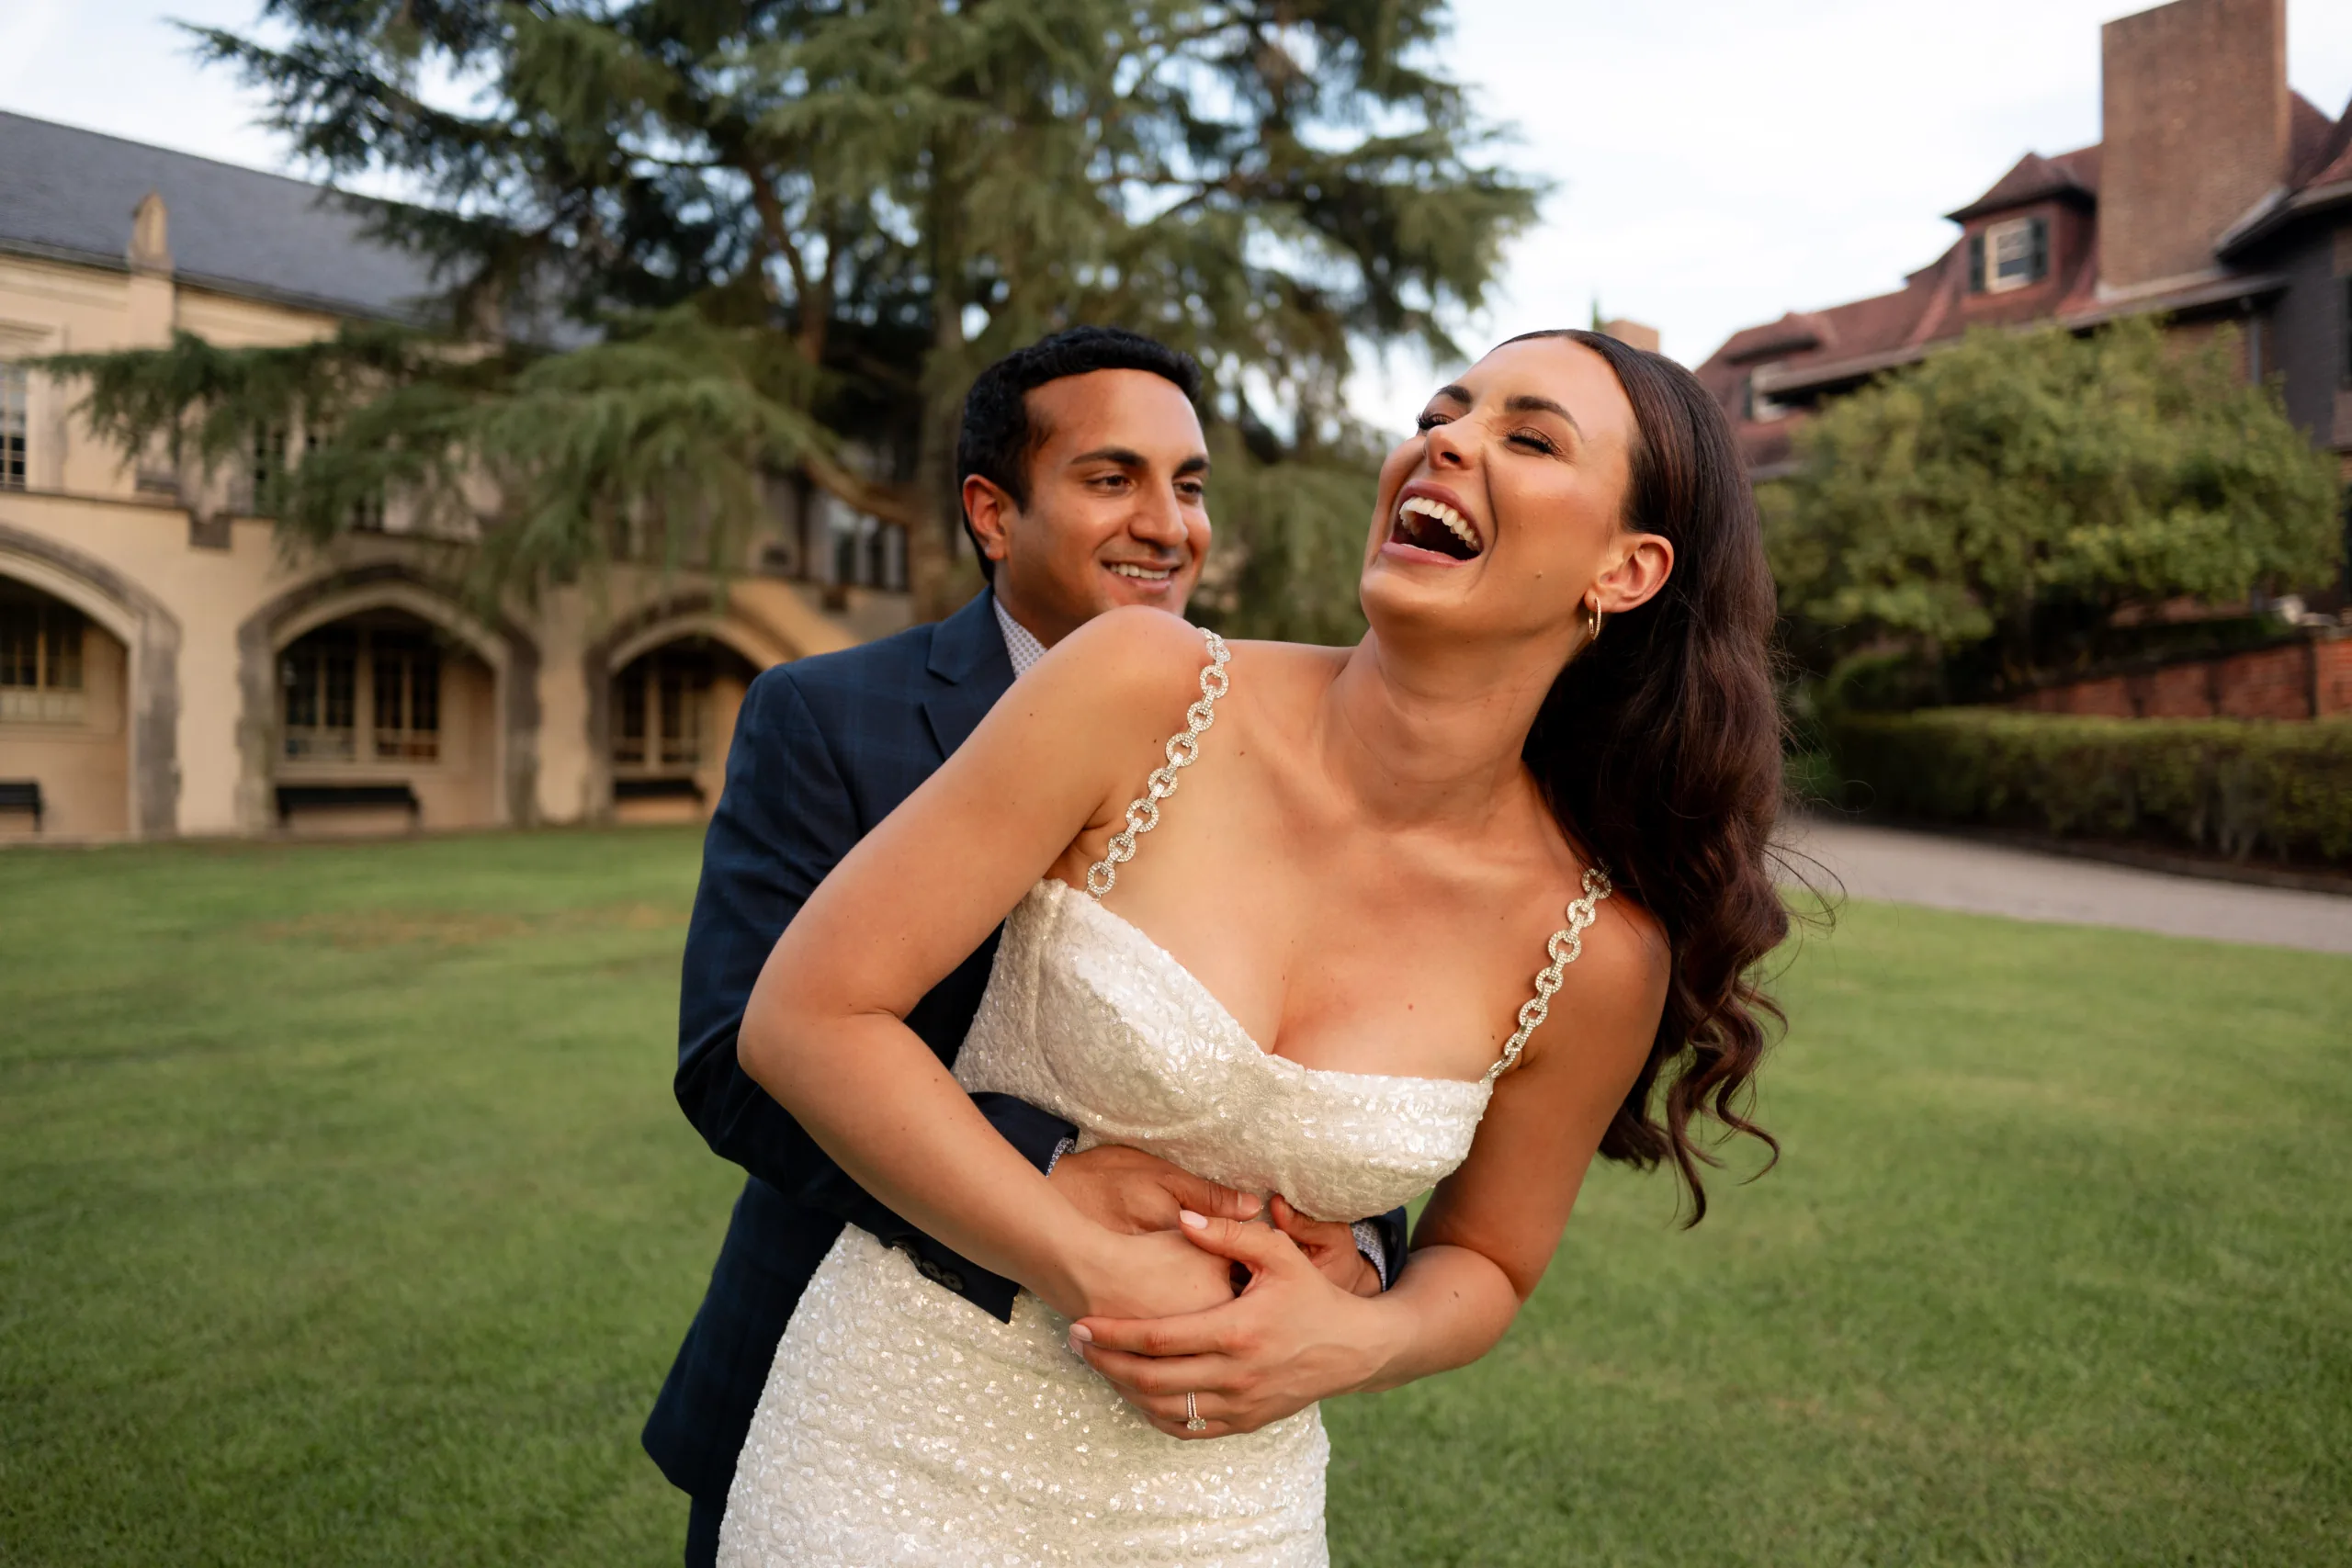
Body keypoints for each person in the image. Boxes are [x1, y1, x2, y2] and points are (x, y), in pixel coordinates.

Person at [714, 328, 1791, 1564]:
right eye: (1442, 413)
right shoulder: (1143, 685)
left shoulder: (1595, 949)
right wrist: (1083, 1260)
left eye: (1529, 438)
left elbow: (1487, 1260)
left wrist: (1362, 1337)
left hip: (1224, 1515)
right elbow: (807, 1017)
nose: (1447, 442)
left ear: (1628, 568)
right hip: (892, 1448)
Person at [641, 326, 1408, 1568]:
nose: (1168, 524)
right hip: (850, 1402)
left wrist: (1359, 1248)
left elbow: (1333, 1030)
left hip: (1166, 1450)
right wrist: (1045, 1170)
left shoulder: (1265, 744)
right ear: (993, 514)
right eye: (1112, 479)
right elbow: (735, 1055)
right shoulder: (827, 715)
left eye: (1190, 484)